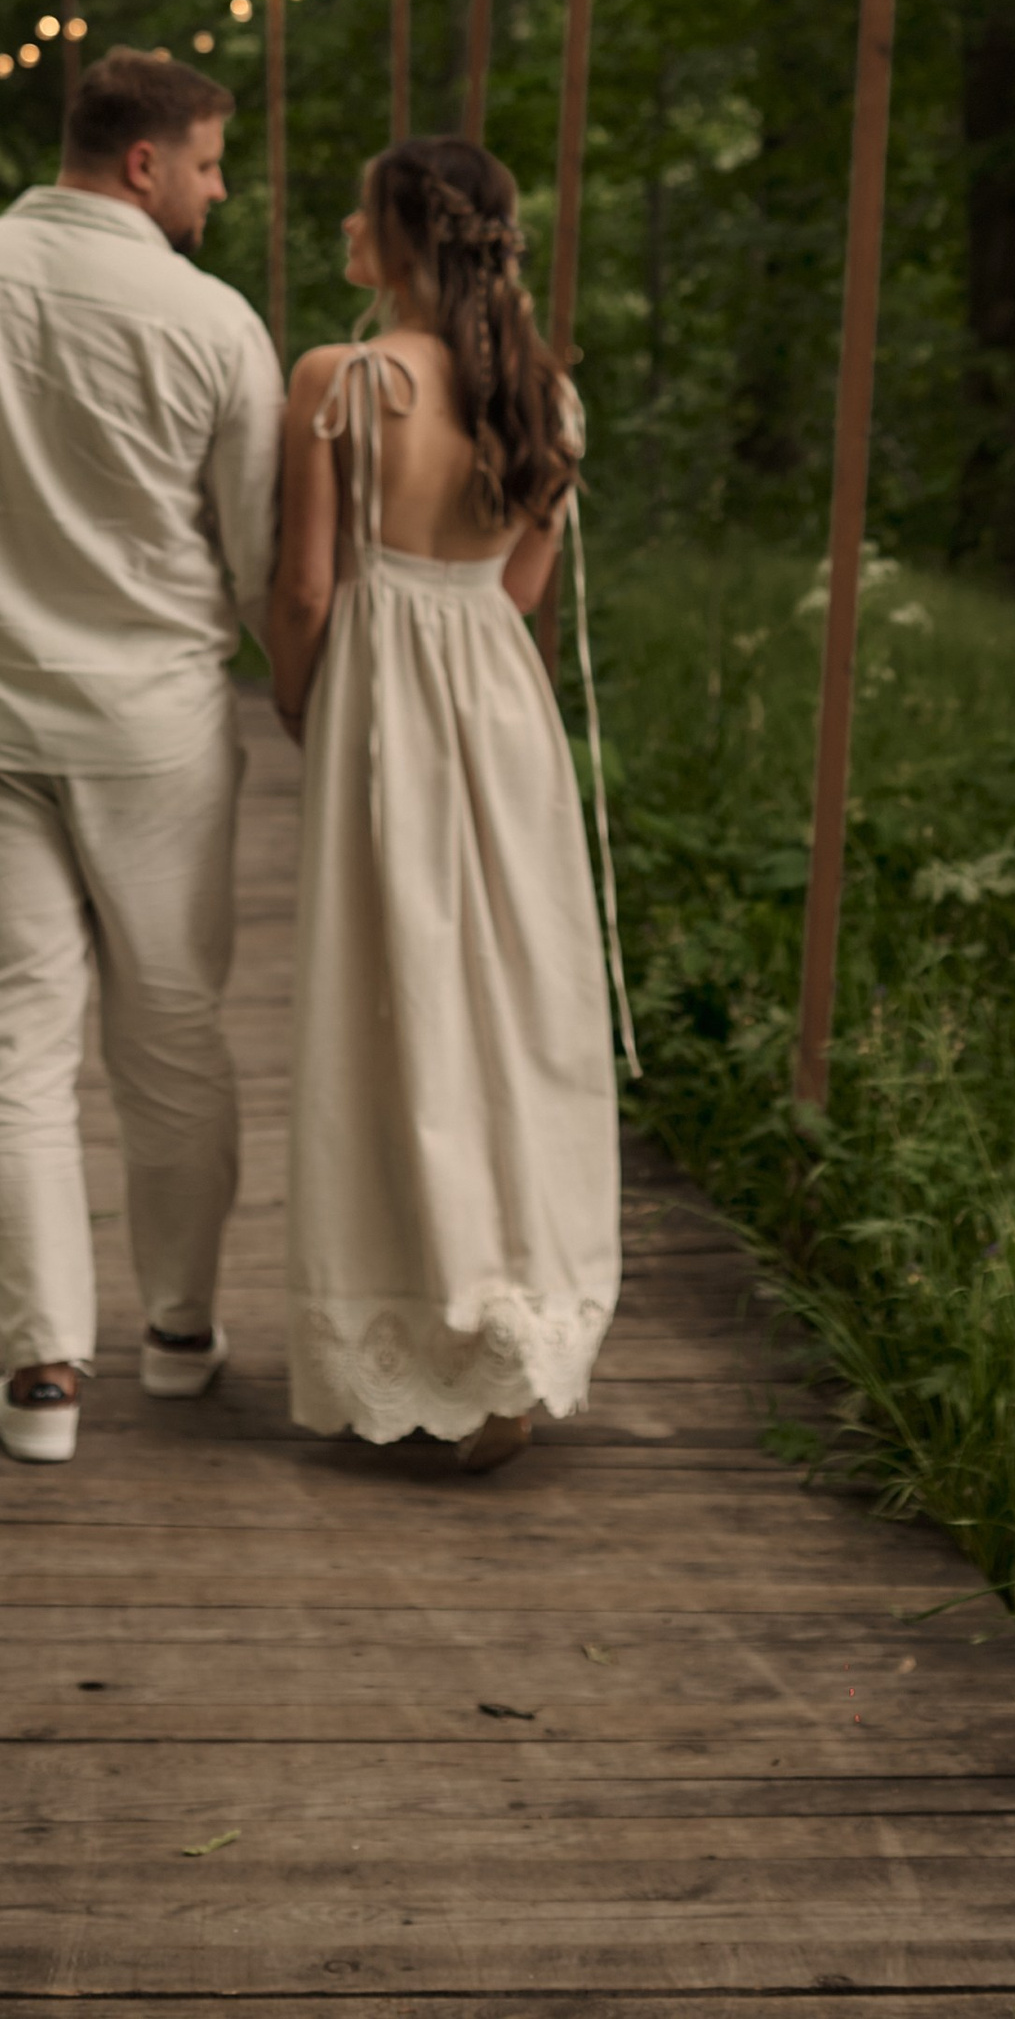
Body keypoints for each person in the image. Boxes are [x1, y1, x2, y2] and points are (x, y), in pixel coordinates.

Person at [0, 46, 284, 1468]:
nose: (219, 191)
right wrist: (303, 688)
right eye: (209, 163)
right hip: (156, 727)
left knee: (10, 1045)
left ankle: (42, 1379)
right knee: (173, 1031)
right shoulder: (212, 320)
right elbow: (261, 554)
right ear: (144, 163)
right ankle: (180, 1334)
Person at [269, 135, 619, 1473]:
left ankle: (430, 1318)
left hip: (384, 709)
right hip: (499, 708)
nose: (345, 233)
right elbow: (521, 592)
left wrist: (299, 698)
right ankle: (518, 1317)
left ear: (407, 238)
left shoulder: (341, 381)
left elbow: (306, 589)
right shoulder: (546, 395)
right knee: (512, 1010)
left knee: (395, 1005)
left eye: (361, 214)